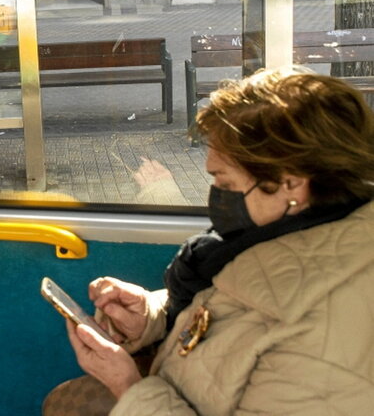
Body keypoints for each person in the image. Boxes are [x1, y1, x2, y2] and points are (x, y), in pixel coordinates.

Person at [45, 67, 374, 415]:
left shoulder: (327, 341)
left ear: (290, 183)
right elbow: (235, 310)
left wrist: (126, 386)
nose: (216, 196)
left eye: (226, 183)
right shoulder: (284, 239)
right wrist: (153, 314)